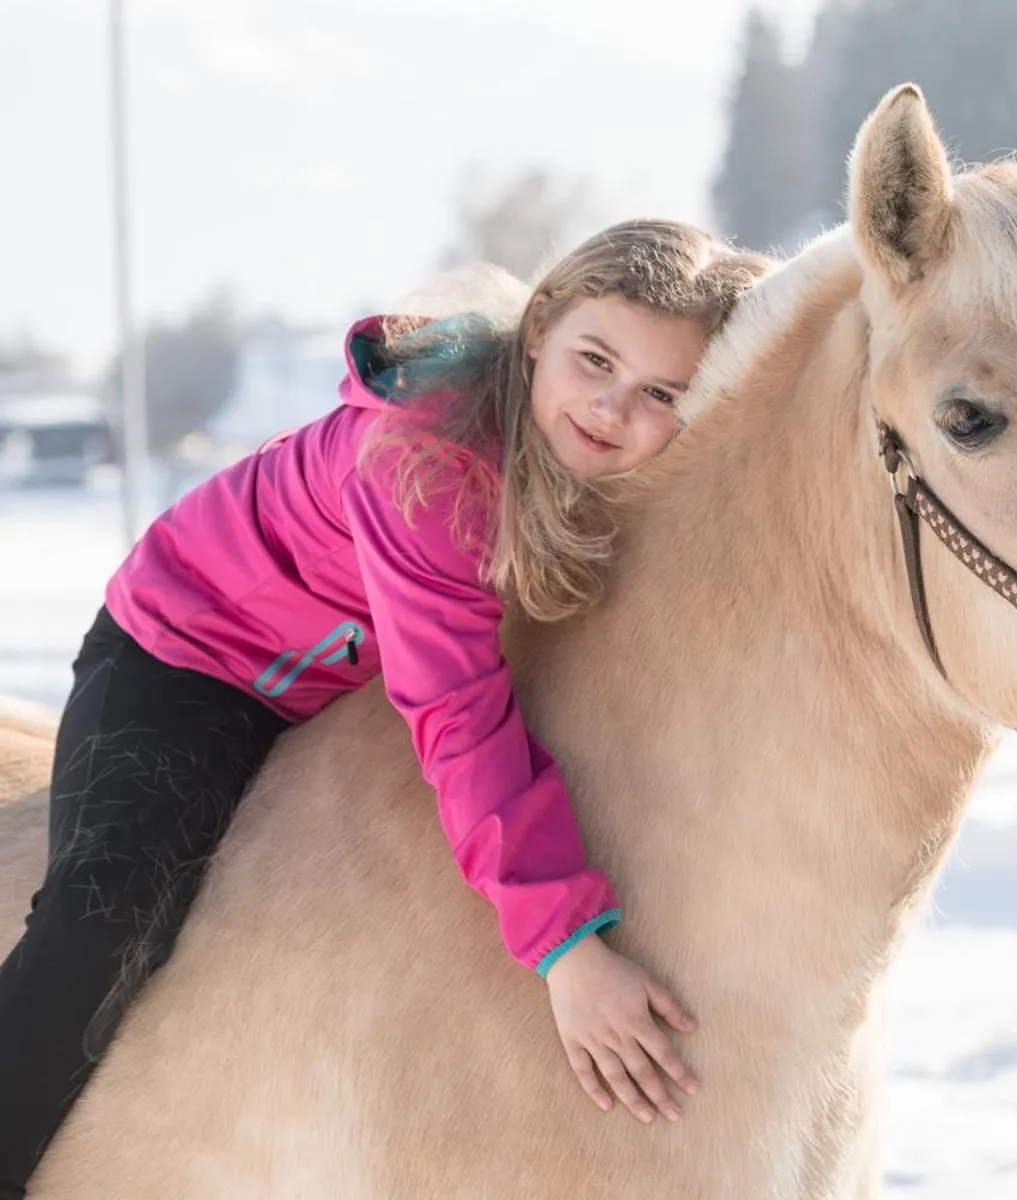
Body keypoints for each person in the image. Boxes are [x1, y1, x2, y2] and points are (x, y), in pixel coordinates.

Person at [0, 219, 771, 1196]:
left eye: (661, 393)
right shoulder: (429, 464)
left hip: (333, 673)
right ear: (539, 329)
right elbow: (457, 714)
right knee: (112, 910)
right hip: (187, 652)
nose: (614, 407)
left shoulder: (599, 455)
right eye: (596, 360)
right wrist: (569, 950)